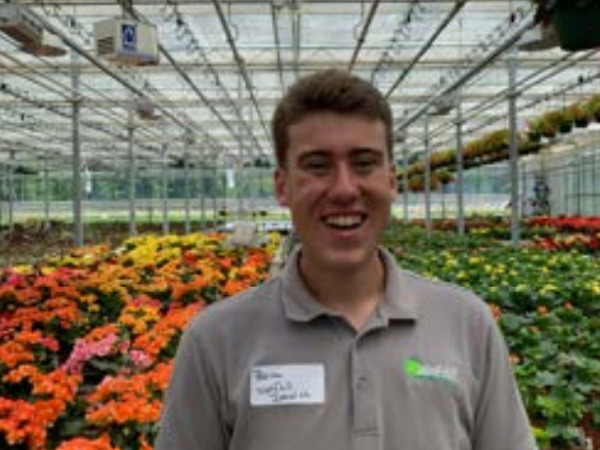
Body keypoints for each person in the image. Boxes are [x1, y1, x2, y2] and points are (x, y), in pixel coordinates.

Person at [155, 69, 537, 450]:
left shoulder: (466, 324)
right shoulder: (216, 340)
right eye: (317, 165)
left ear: (391, 181)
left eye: (364, 163)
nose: (343, 189)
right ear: (283, 186)